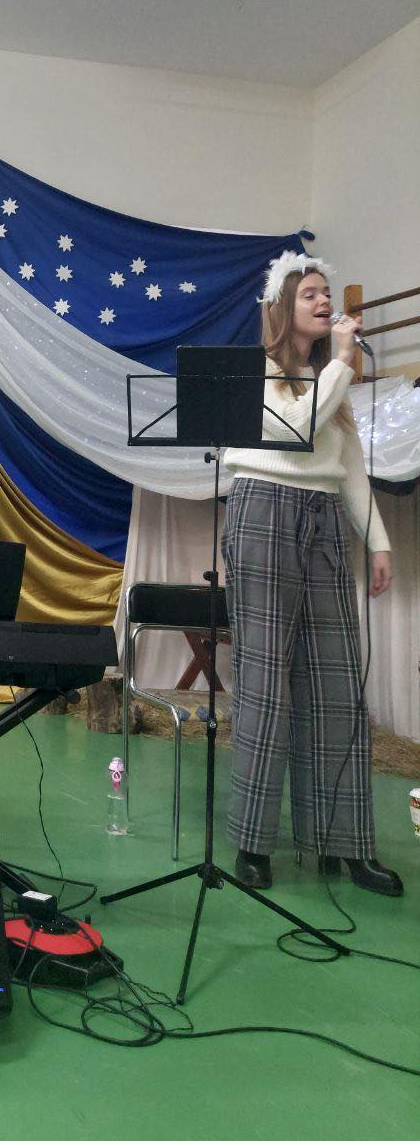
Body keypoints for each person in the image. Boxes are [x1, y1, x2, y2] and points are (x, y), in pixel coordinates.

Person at [222, 254, 401, 896]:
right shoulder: (260, 373)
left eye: (328, 293)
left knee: (336, 682)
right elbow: (291, 431)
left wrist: (376, 540)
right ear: (283, 306)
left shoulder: (331, 380)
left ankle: (344, 844)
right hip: (262, 510)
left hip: (322, 517)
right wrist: (342, 367)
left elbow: (348, 466)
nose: (325, 302)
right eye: (311, 294)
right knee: (266, 682)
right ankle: (253, 842)